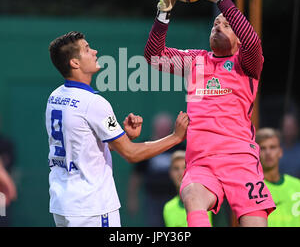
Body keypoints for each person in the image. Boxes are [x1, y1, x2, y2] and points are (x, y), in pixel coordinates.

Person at [144, 0, 276, 227]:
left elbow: (252, 41)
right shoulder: (196, 61)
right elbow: (154, 55)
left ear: (238, 39)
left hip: (240, 158)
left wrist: (221, 0)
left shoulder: (247, 63)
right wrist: (163, 13)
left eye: (226, 24)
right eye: (216, 22)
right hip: (201, 160)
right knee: (192, 194)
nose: (218, 24)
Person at [46, 32, 189, 227]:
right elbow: (131, 154)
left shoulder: (55, 97)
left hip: (63, 204)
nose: (95, 51)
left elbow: (83, 148)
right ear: (75, 63)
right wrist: (175, 137)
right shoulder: (93, 103)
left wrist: (122, 137)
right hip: (92, 207)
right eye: (87, 49)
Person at [127, 112, 185, 227]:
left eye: (165, 128)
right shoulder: (146, 147)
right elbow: (136, 176)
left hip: (176, 197)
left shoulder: (179, 148)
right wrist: (132, 199)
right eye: (160, 128)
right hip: (153, 199)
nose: (163, 130)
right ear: (155, 129)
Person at [256, 127, 300, 227]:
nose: (268, 152)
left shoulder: (297, 186)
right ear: (256, 153)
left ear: (280, 151)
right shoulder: (254, 190)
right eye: (263, 148)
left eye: (272, 147)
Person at [163, 150, 213, 227]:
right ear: (170, 173)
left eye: (184, 167)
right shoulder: (168, 208)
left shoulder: (208, 199)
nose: (180, 173)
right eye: (176, 168)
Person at [278, 112, 300, 178]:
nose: (288, 130)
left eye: (291, 127)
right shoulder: (274, 148)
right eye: (286, 127)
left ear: (297, 129)